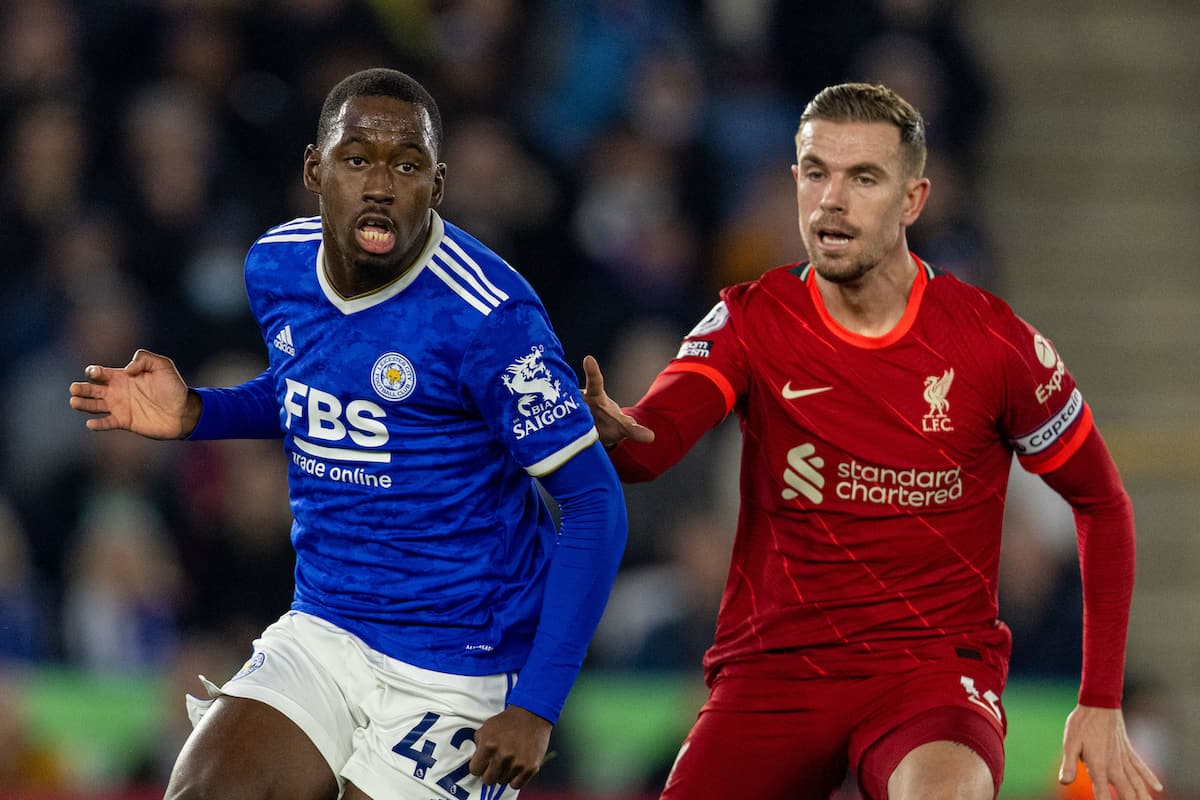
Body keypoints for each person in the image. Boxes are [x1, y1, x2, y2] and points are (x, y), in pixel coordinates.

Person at [581, 82, 1161, 800]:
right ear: (795, 182)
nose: (832, 198)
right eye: (816, 172)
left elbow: (1102, 504)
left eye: (863, 178)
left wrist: (1100, 700)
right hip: (776, 668)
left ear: (912, 200)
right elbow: (652, 441)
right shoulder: (749, 319)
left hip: (932, 675)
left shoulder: (991, 343)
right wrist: (606, 433)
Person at [69, 68, 628, 800]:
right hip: (327, 626)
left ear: (438, 184)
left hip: (463, 662)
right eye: (357, 158)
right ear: (314, 168)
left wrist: (537, 705)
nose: (381, 184)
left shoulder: (491, 319)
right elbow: (317, 387)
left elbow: (595, 505)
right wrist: (202, 412)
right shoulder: (277, 267)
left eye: (407, 165)